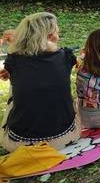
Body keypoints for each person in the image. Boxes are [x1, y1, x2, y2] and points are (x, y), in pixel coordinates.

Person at [0, 13, 80, 152]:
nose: (58, 32)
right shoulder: (65, 56)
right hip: (64, 138)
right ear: (50, 35)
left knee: (14, 90)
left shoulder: (13, 60)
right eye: (56, 30)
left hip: (18, 144)